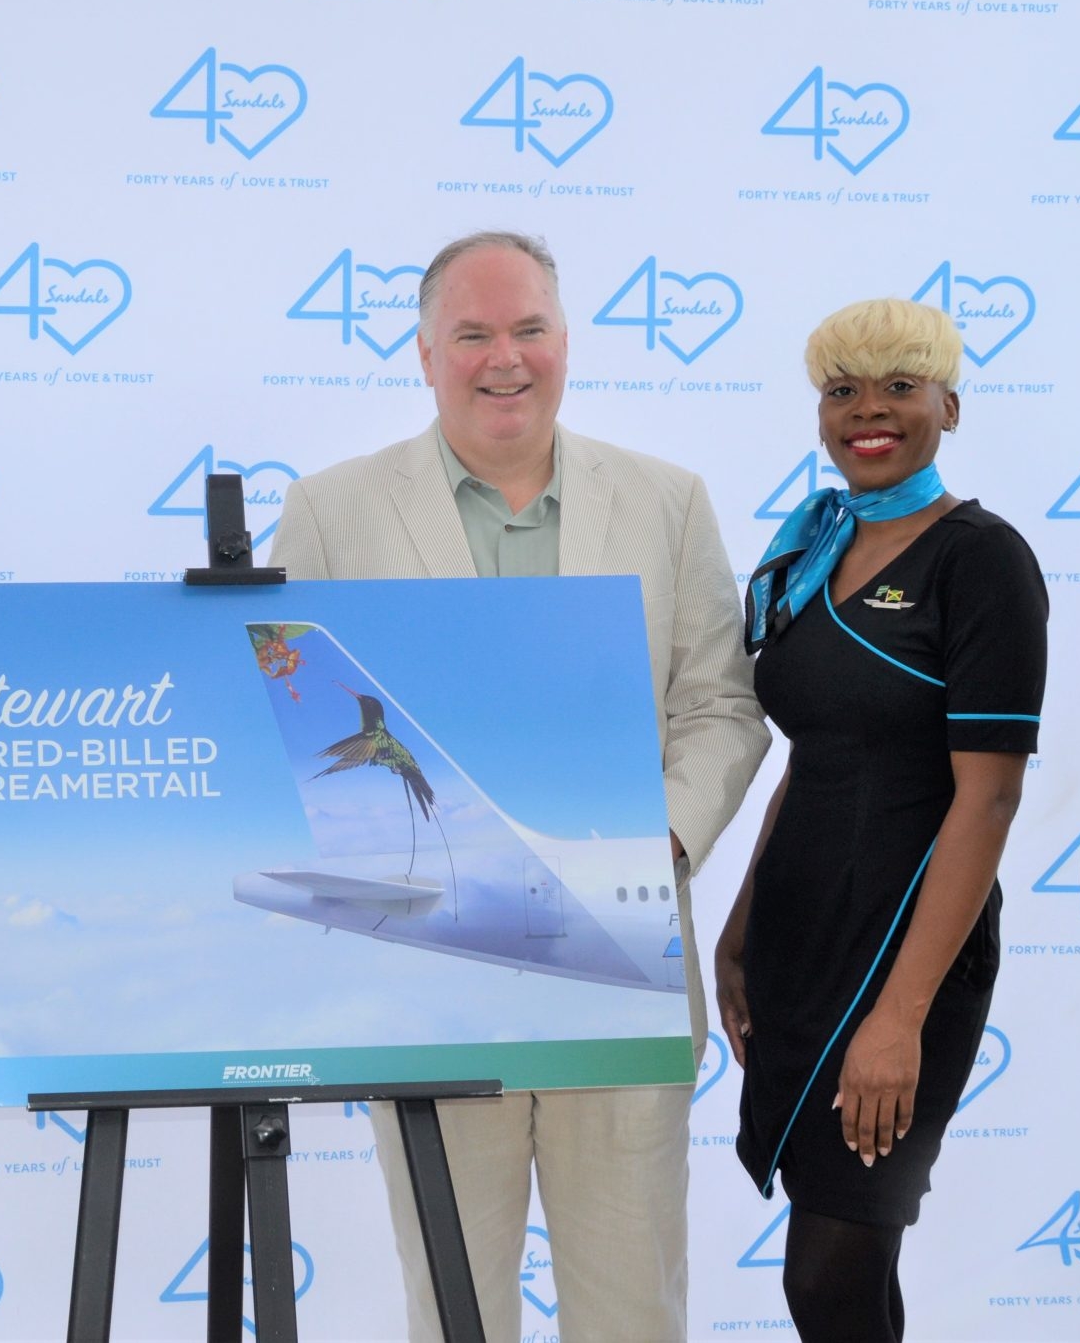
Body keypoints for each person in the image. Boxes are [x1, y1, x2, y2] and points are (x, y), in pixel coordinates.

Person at [271, 229, 769, 1341]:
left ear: (564, 339)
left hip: (621, 960)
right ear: (423, 353)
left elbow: (719, 707)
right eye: (473, 334)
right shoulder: (329, 512)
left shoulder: (665, 501)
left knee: (631, 1310)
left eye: (528, 329)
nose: (505, 358)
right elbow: (292, 724)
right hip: (431, 973)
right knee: (453, 1310)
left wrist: (661, 845)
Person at [716, 298, 1046, 1341]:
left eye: (898, 387)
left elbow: (985, 796)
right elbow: (809, 758)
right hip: (796, 943)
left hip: (905, 958)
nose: (868, 411)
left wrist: (898, 1017)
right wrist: (738, 924)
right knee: (843, 1274)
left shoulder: (978, 558)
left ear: (946, 406)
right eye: (840, 390)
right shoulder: (811, 553)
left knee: (829, 1268)